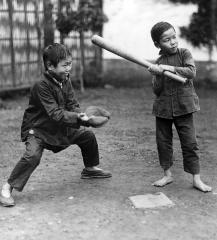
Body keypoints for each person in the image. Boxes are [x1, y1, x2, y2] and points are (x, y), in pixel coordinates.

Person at [0, 43, 112, 207]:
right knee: (32, 156)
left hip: (58, 128)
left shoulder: (65, 80)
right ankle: (7, 187)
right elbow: (55, 113)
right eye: (65, 65)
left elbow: (72, 104)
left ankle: (90, 169)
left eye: (70, 63)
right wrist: (81, 118)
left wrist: (85, 115)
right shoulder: (41, 86)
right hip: (38, 129)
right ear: (50, 66)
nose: (69, 68)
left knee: (87, 136)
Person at [148, 21, 212, 192]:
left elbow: (191, 72)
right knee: (163, 142)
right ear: (157, 44)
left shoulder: (184, 53)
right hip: (163, 109)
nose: (173, 42)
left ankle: (196, 179)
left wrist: (169, 68)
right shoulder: (158, 62)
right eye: (166, 40)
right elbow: (157, 90)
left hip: (184, 106)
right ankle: (167, 174)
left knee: (190, 143)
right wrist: (158, 74)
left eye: (174, 37)